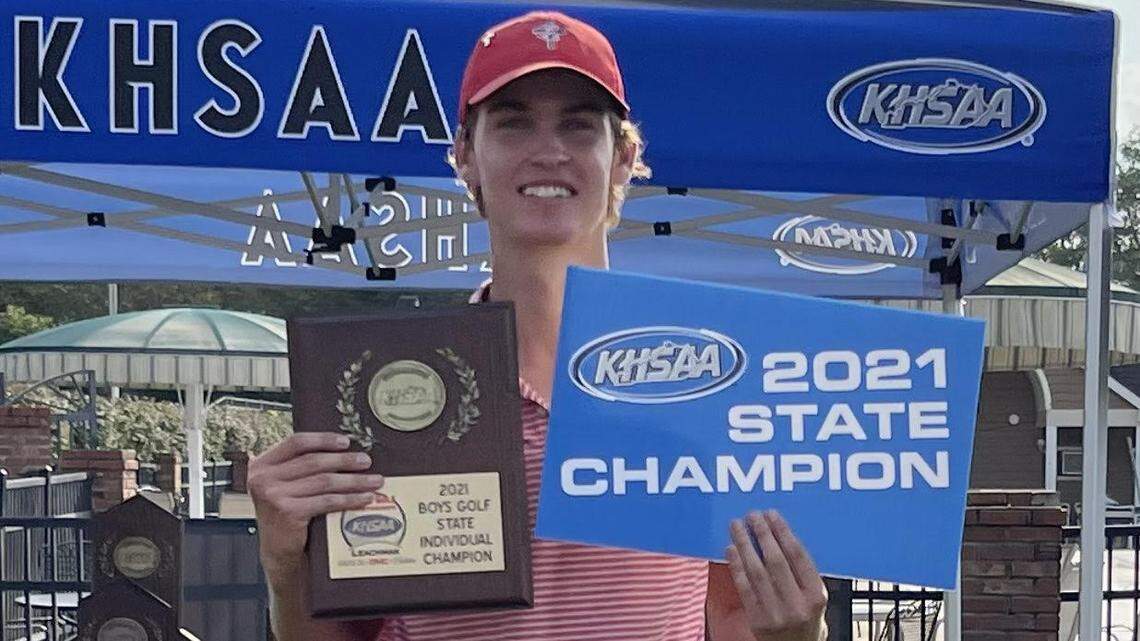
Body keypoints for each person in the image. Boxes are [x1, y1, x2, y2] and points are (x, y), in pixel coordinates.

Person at [249, 11, 829, 641]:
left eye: (579, 127)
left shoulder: (709, 383)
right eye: (514, 122)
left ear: (624, 156)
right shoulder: (395, 387)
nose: (548, 151)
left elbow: (735, 620)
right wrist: (285, 565)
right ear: (466, 154)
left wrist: (797, 636)